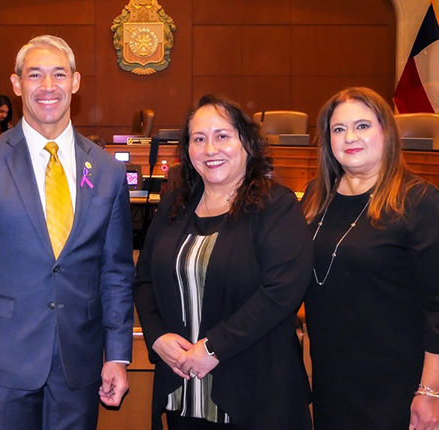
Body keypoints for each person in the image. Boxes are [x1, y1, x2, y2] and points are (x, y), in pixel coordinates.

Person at [0, 35, 134, 429]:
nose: (48, 87)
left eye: (58, 74)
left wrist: (117, 354)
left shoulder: (108, 171)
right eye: (35, 75)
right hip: (0, 366)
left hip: (79, 365)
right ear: (16, 85)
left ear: (75, 82)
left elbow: (115, 272)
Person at [302, 87, 439, 430]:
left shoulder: (420, 202)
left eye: (363, 126)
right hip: (334, 380)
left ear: (386, 132)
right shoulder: (315, 197)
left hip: (399, 386)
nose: (350, 137)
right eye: (338, 129)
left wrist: (430, 391)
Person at [134, 94, 313, 430]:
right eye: (199, 139)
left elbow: (281, 292)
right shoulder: (175, 205)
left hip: (256, 394)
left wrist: (214, 349)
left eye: (222, 136)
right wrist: (157, 336)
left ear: (247, 142)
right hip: (184, 393)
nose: (210, 149)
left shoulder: (277, 206)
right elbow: (144, 280)